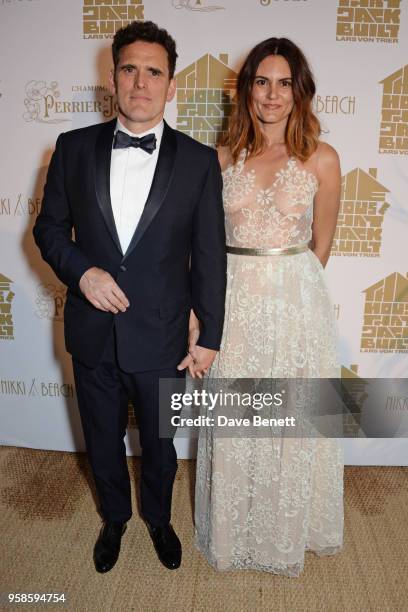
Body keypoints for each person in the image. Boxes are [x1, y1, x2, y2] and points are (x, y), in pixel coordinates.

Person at [33, 21, 226, 573]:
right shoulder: (71, 148)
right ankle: (114, 518)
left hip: (165, 336)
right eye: (129, 69)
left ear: (172, 85)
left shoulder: (197, 161)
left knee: (161, 447)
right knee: (101, 438)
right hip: (92, 331)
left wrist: (209, 335)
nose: (141, 82)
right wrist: (83, 273)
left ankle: (159, 520)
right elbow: (49, 230)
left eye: (154, 72)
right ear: (112, 77)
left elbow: (210, 256)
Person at [192, 37, 344, 575]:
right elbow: (205, 246)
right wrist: (203, 313)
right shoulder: (220, 157)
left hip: (294, 307)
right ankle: (237, 531)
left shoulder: (322, 158)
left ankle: (285, 531)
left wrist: (287, 296)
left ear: (299, 91)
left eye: (284, 83)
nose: (272, 95)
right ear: (247, 89)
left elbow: (320, 245)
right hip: (231, 303)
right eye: (262, 81)